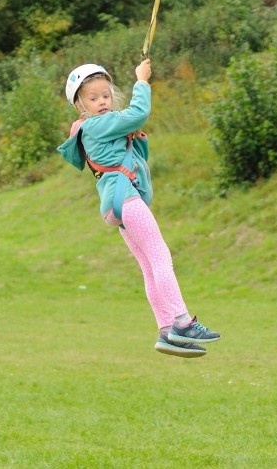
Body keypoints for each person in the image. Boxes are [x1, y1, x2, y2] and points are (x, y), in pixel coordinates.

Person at [57, 60, 220, 358]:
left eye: (105, 95)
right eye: (93, 99)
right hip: (125, 197)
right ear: (80, 105)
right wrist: (142, 81)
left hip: (116, 202)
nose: (102, 102)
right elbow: (140, 112)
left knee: (148, 265)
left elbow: (134, 135)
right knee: (160, 255)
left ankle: (166, 331)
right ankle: (182, 323)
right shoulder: (96, 124)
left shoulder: (98, 125)